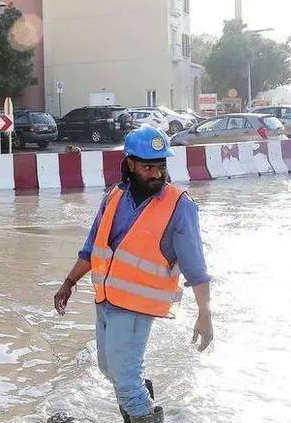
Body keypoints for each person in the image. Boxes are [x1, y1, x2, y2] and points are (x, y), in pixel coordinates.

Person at [52, 125, 213, 423]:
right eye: (148, 166)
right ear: (130, 164)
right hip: (105, 300)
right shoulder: (114, 196)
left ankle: (142, 410)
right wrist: (68, 282)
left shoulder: (180, 207)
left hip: (137, 308)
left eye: (161, 166)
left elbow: (196, 267)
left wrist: (205, 313)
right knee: (109, 369)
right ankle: (143, 404)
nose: (155, 173)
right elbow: (92, 247)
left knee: (125, 381)